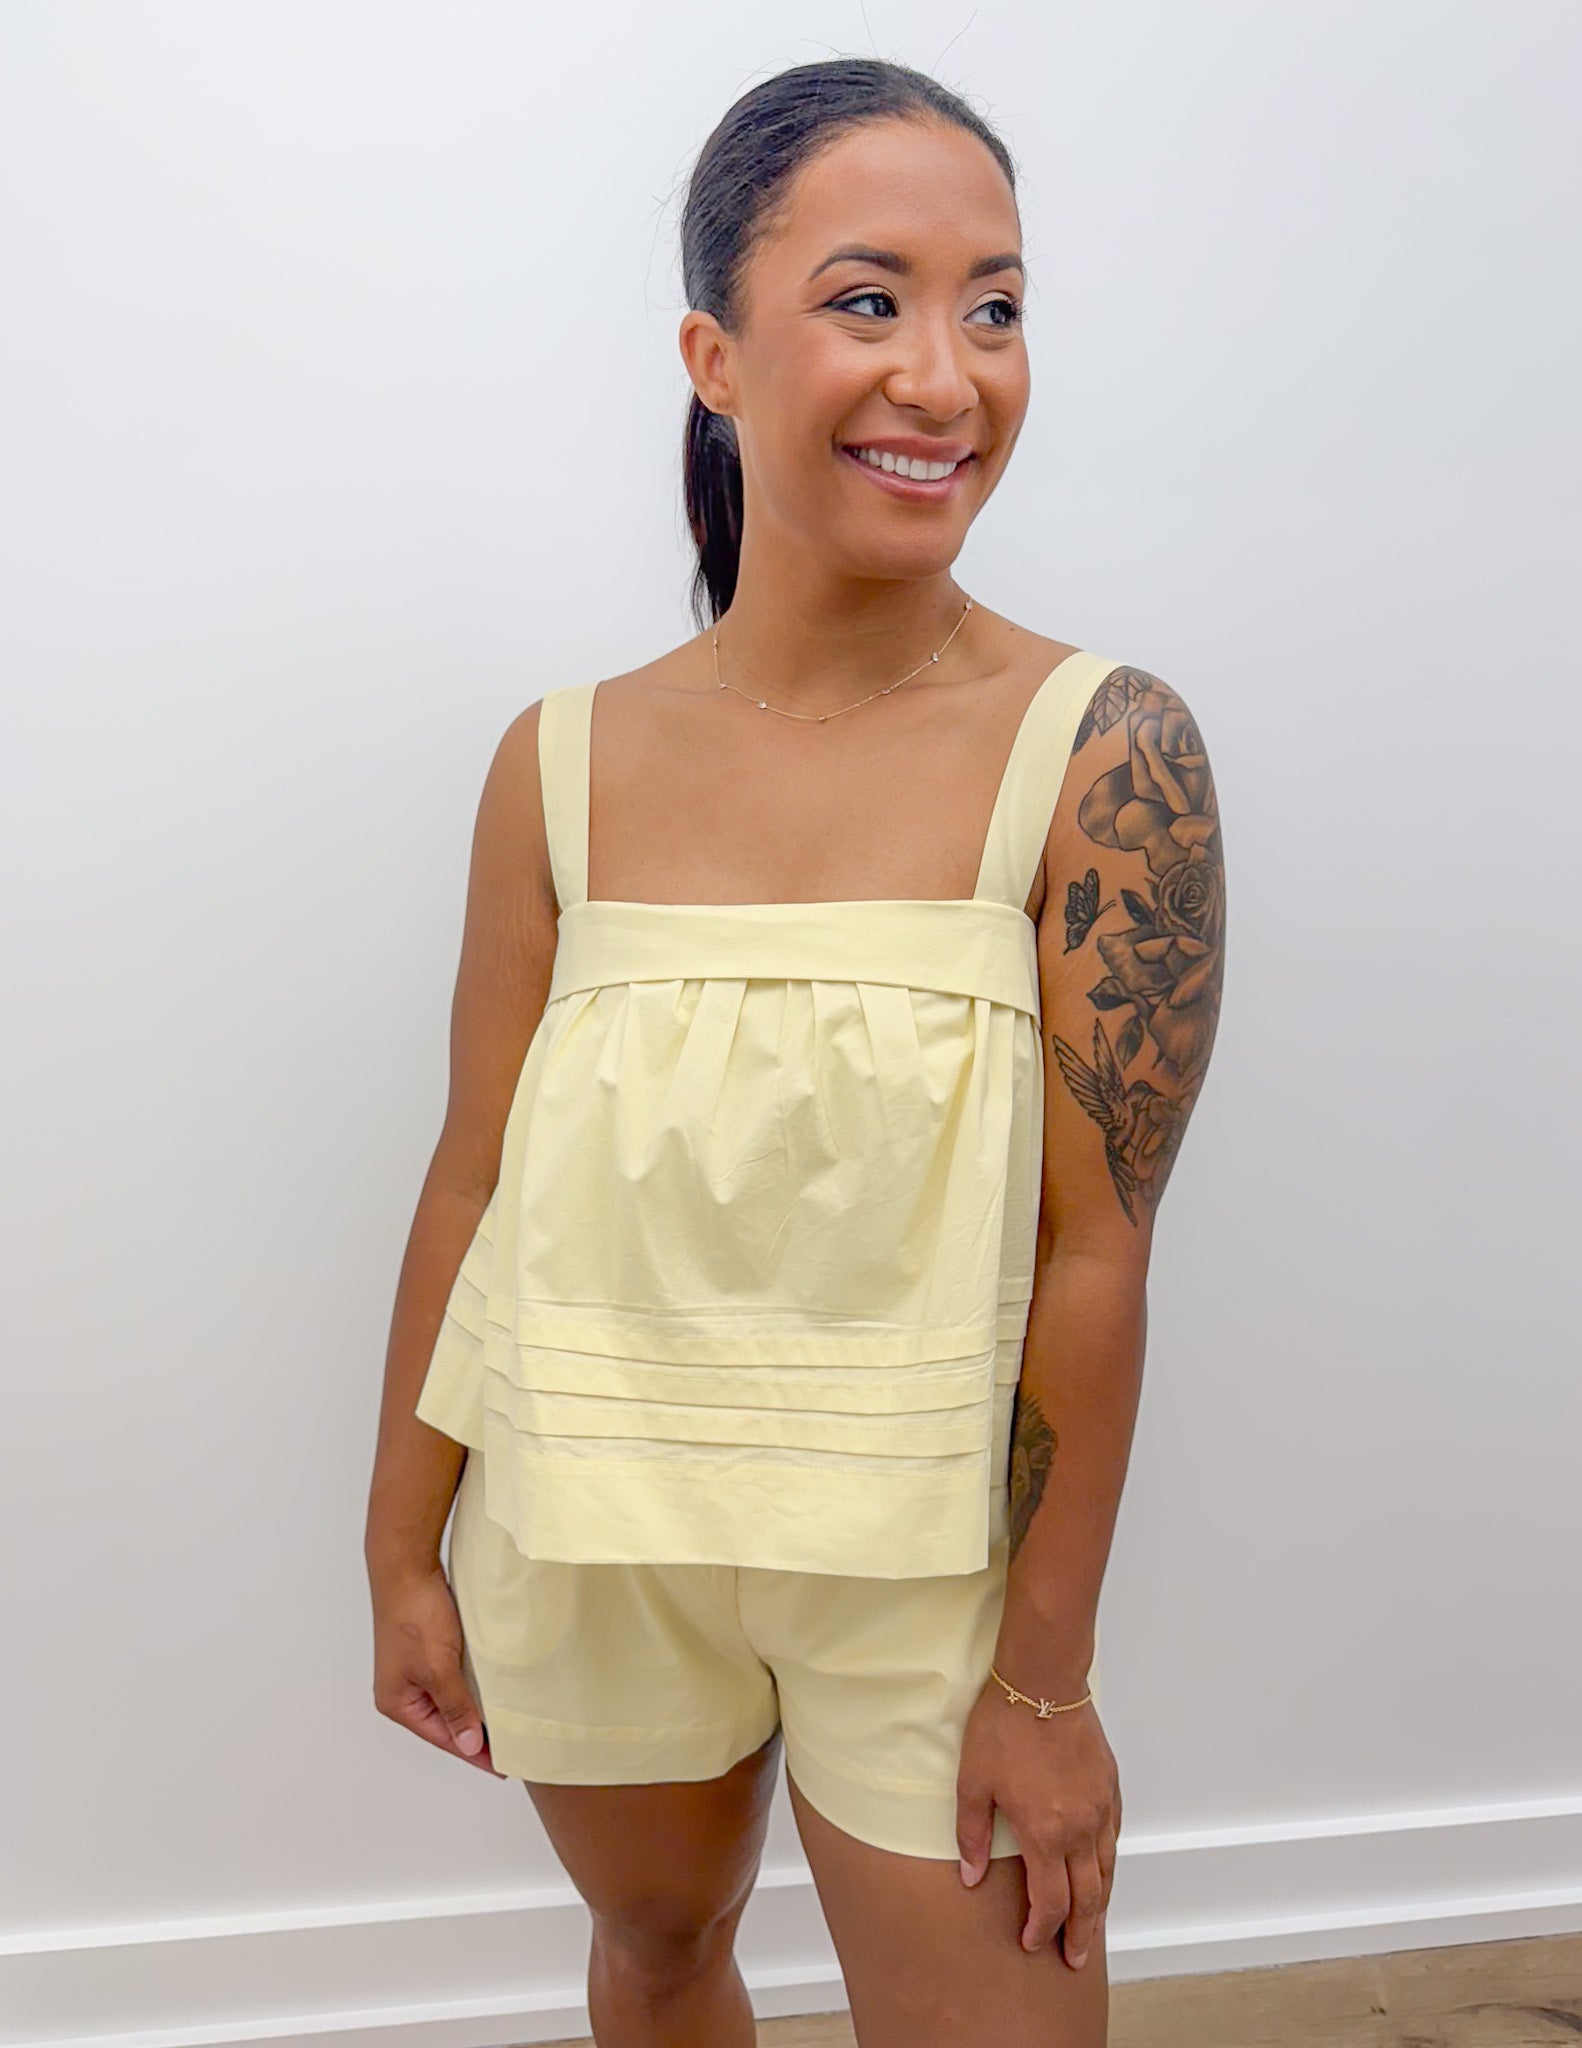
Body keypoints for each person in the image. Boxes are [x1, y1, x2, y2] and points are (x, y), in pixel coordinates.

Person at [364, 54, 1224, 2048]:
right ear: (713, 358)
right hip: (587, 1524)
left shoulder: (1103, 754)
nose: (945, 374)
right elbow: (471, 1178)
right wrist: (398, 1543)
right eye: (868, 300)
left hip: (925, 1572)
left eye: (991, 306)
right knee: (661, 1951)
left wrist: (1043, 1679)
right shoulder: (557, 762)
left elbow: (1095, 1250)